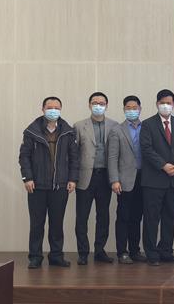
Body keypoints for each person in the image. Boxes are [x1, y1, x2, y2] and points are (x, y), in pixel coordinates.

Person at [18, 96, 78, 268]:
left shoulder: (67, 131)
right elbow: (24, 157)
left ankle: (56, 256)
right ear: (43, 109)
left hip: (60, 185)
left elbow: (74, 158)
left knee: (57, 224)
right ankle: (35, 257)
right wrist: (27, 178)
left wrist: (73, 179)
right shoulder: (32, 131)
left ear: (61, 109)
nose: (53, 110)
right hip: (36, 186)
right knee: (37, 224)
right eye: (50, 107)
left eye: (57, 108)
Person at [140, 89, 174, 266]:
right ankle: (152, 254)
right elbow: (146, 149)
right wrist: (163, 165)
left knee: (170, 217)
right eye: (162, 103)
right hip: (153, 180)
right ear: (157, 104)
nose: (166, 106)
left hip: (173, 179)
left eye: (168, 103)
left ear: (173, 104)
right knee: (151, 219)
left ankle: (166, 251)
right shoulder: (148, 124)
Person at [73, 92, 118, 265]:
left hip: (105, 176)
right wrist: (73, 177)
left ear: (107, 105)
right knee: (82, 217)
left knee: (103, 216)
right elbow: (74, 154)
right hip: (85, 177)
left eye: (101, 103)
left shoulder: (114, 126)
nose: (98, 106)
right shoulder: (79, 126)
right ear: (89, 105)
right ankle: (83, 252)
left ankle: (100, 250)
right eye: (95, 102)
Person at [108, 95, 146, 264]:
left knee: (137, 217)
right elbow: (112, 157)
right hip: (124, 180)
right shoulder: (117, 130)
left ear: (140, 109)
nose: (131, 110)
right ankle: (122, 252)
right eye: (128, 108)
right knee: (123, 216)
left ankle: (135, 250)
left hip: (144, 179)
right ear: (124, 109)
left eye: (134, 107)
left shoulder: (147, 128)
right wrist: (114, 180)